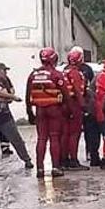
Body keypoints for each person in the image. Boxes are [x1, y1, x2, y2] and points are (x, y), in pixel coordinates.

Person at [26, 47, 65, 178]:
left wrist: (30, 112)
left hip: (40, 110)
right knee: (54, 137)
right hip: (54, 109)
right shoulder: (56, 75)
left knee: (41, 138)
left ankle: (40, 169)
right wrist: (69, 109)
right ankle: (55, 167)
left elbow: (28, 96)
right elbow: (66, 94)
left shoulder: (33, 75)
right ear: (54, 59)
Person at [61, 48, 87, 168]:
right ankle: (73, 160)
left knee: (65, 133)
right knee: (74, 133)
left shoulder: (64, 71)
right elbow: (77, 90)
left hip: (64, 104)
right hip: (74, 104)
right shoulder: (75, 73)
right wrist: (83, 105)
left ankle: (64, 158)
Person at [77, 56, 101, 167]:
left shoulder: (68, 70)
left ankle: (91, 155)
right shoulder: (90, 72)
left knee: (89, 134)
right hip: (92, 109)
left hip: (86, 108)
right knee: (94, 134)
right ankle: (94, 156)